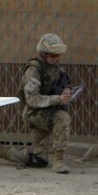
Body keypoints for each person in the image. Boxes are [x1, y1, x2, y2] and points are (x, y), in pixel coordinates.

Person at [19, 33, 73, 173]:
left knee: (39, 160)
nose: (56, 59)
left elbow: (66, 82)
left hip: (48, 110)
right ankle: (58, 161)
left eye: (57, 56)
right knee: (63, 118)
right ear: (43, 54)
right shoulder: (34, 70)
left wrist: (67, 90)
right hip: (35, 113)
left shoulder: (55, 68)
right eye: (52, 56)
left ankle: (1, 152)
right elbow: (32, 99)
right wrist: (57, 99)